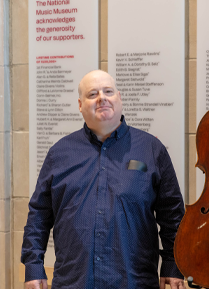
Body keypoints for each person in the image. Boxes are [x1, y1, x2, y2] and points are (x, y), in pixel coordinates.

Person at [21, 70, 186, 289]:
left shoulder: (151, 150)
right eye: (92, 94)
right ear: (80, 105)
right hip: (74, 282)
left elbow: (172, 214)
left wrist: (172, 265)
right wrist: (33, 266)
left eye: (108, 91)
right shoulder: (59, 154)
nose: (102, 98)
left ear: (120, 98)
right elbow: (39, 215)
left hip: (134, 282)